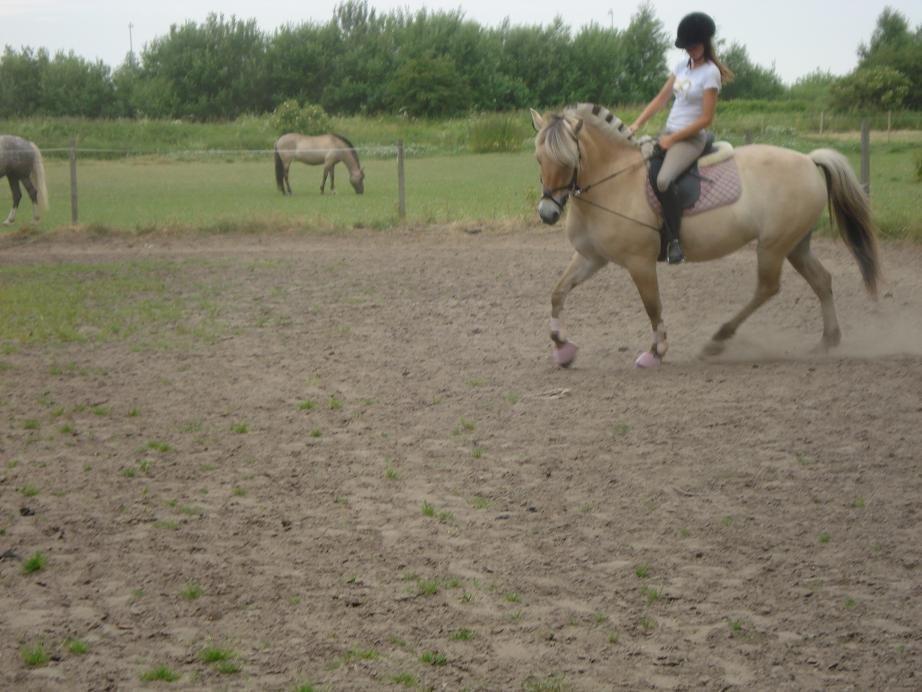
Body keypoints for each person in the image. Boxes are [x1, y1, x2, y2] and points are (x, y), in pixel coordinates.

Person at [627, 12, 733, 264]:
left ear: (705, 43)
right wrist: (637, 124)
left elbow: (706, 119)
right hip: (669, 132)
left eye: (694, 45)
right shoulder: (680, 67)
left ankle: (674, 241)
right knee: (639, 164)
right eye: (687, 46)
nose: (691, 50)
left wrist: (673, 140)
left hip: (691, 138)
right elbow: (661, 100)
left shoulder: (710, 73)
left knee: (663, 180)